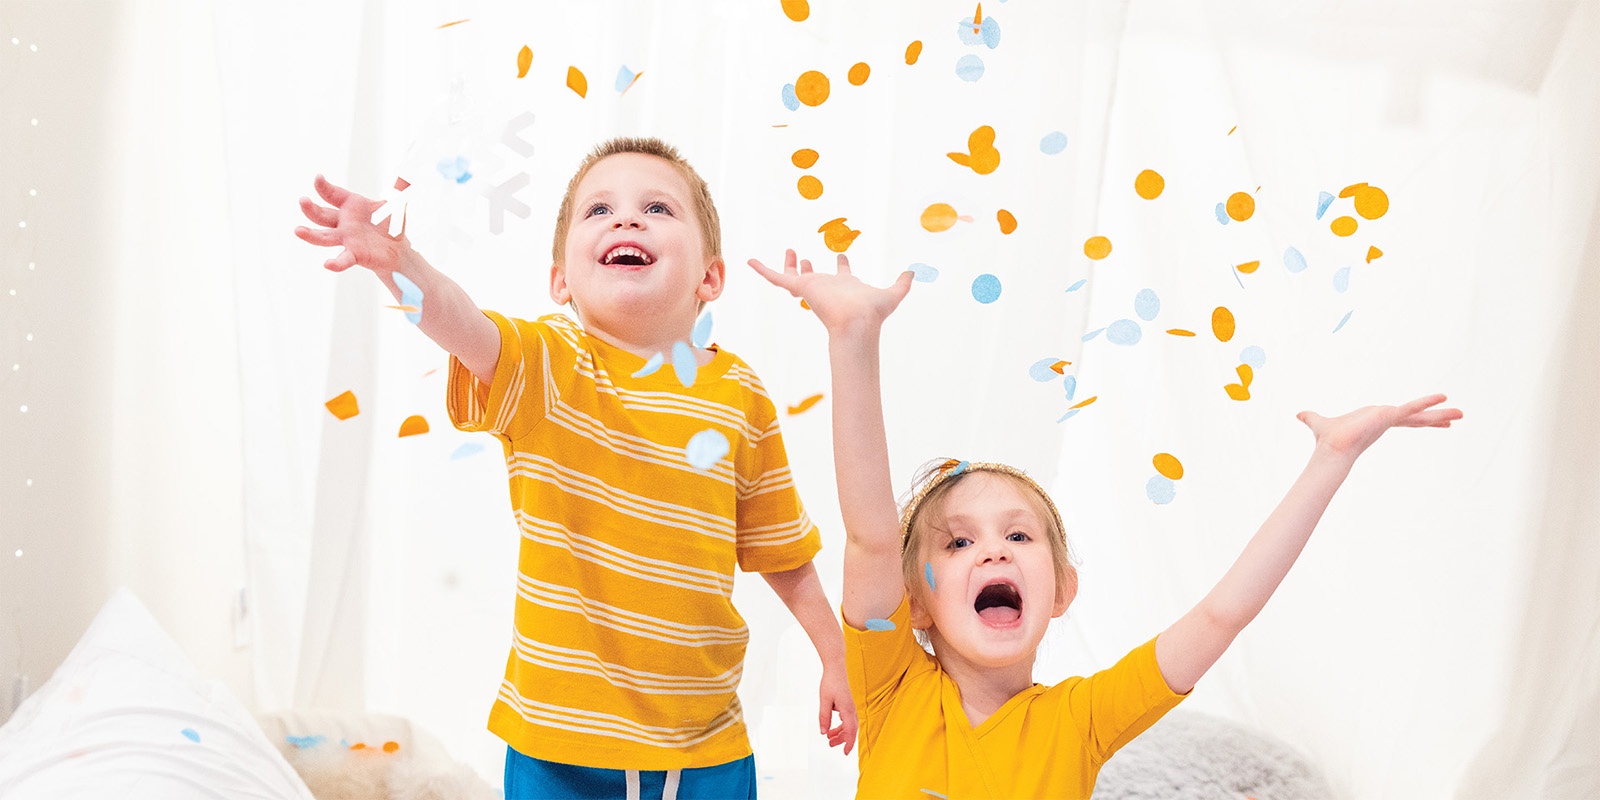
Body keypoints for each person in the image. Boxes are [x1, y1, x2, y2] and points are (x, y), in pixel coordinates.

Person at [748, 249, 1462, 799]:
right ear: (917, 602)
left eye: (1019, 536)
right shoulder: (890, 683)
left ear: (1061, 590)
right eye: (959, 541)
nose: (993, 548)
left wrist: (1330, 460)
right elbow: (872, 533)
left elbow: (1221, 615)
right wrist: (853, 338)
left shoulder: (1081, 718)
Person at [295, 138, 856, 800]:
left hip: (705, 742)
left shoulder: (740, 394)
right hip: (556, 745)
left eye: (657, 207)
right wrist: (400, 263)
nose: (626, 220)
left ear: (710, 277)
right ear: (561, 280)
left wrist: (836, 652)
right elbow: (459, 320)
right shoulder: (546, 366)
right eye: (599, 210)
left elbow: (780, 549)